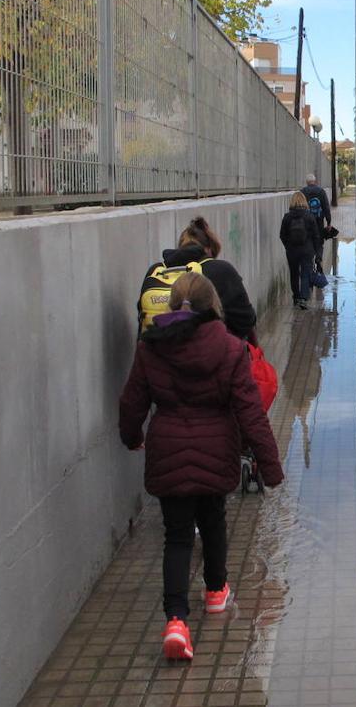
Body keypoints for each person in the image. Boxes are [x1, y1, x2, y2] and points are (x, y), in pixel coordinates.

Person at [119, 273, 284, 661]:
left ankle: (176, 621)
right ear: (214, 305)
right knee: (213, 521)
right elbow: (249, 411)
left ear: (173, 305)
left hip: (168, 450)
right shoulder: (230, 348)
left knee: (176, 537)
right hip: (216, 450)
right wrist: (269, 464)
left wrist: (131, 437)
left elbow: (131, 402)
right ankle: (215, 591)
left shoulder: (150, 347)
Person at [140, 217, 257, 344]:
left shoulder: (156, 272)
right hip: (212, 354)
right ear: (208, 250)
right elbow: (246, 321)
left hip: (159, 353)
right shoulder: (222, 270)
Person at [279, 192, 320, 310]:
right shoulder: (309, 216)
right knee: (305, 273)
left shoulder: (287, 217)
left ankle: (296, 297)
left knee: (294, 273)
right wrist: (316, 251)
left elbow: (282, 235)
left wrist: (288, 246)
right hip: (307, 250)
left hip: (292, 250)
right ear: (304, 201)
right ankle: (303, 298)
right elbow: (316, 235)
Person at [300, 174, 331, 268]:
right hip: (319, 221)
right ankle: (318, 258)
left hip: (306, 222)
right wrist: (329, 222)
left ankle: (310, 261)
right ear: (315, 181)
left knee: (308, 240)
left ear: (306, 182)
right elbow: (326, 207)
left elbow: (300, 206)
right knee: (319, 241)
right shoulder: (321, 191)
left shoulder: (302, 192)